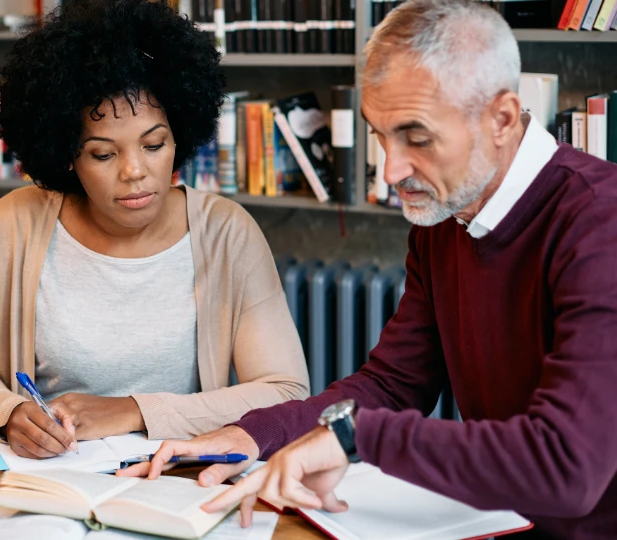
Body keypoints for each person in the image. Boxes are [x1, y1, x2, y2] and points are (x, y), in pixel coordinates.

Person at [120, 1, 617, 537]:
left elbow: (567, 467)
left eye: (417, 138)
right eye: (380, 135)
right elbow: (394, 382)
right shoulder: (442, 222)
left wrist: (357, 435)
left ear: (500, 118)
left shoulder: (601, 224)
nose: (391, 170)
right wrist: (252, 434)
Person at [0, 0, 310, 460]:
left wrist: (130, 410)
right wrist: (10, 412)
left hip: (168, 476)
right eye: (103, 154)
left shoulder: (227, 233)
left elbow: (285, 391)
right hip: (41, 476)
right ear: (67, 155)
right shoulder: (14, 224)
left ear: (180, 136)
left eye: (154, 145)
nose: (135, 171)